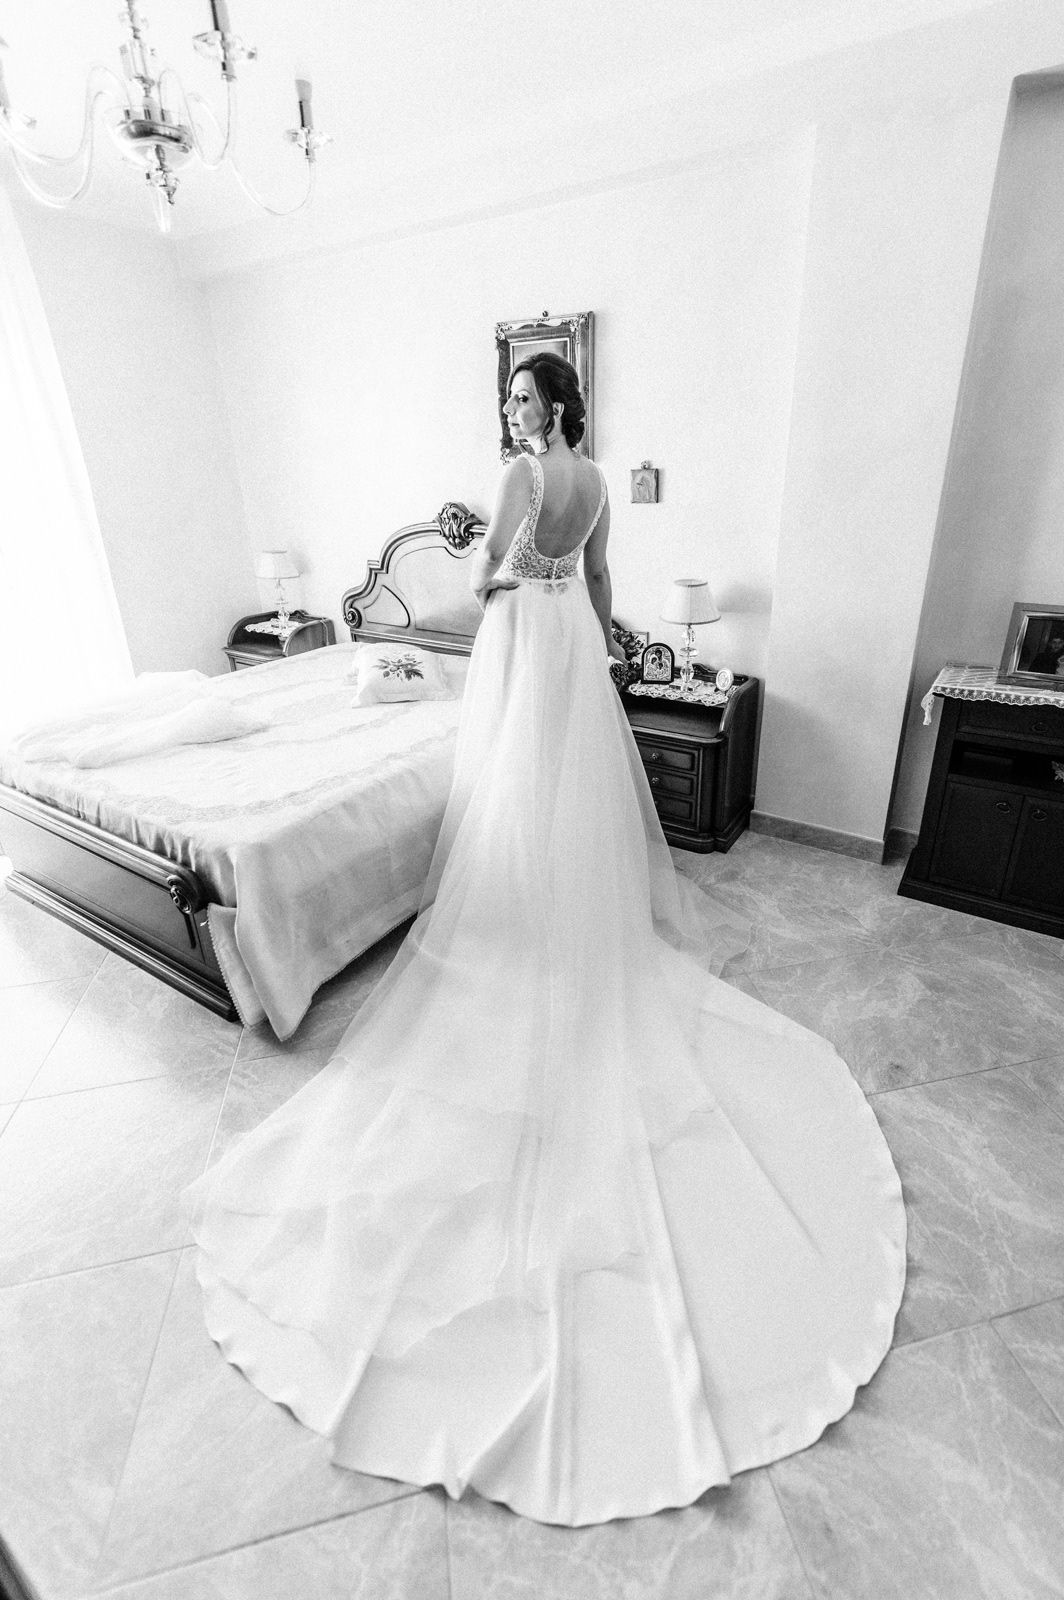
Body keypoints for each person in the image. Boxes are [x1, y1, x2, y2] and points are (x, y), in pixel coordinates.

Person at [182, 354, 906, 1527]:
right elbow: (600, 577)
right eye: (511, 404)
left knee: (514, 789)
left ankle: (520, 922)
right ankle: (556, 911)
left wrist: (501, 570)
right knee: (559, 790)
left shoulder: (520, 477)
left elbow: (483, 579)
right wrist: (603, 649)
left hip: (524, 635)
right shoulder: (598, 477)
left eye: (525, 401)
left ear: (554, 407)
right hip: (571, 641)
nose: (515, 414)